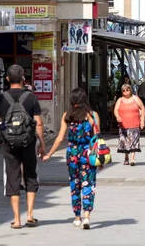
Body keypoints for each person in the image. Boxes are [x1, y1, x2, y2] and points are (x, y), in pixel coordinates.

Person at [0, 64, 45, 229]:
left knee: (12, 176)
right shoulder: (31, 97)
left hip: (9, 142)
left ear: (7, 79)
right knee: (30, 175)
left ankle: (17, 219)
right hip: (28, 141)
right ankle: (29, 215)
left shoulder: (0, 98)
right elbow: (39, 123)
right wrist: (42, 145)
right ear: (23, 78)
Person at [43, 88, 99, 230]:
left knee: (75, 184)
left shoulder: (67, 115)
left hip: (72, 153)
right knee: (88, 184)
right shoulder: (92, 115)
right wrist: (98, 157)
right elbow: (95, 138)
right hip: (88, 154)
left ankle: (77, 217)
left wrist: (49, 154)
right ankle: (87, 216)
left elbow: (60, 137)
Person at [114, 84, 145, 166]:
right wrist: (117, 116)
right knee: (125, 142)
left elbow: (142, 108)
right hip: (123, 125)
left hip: (134, 123)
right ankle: (126, 157)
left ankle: (132, 159)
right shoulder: (120, 100)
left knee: (134, 141)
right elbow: (116, 110)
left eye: (127, 90)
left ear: (130, 90)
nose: (125, 92)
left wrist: (142, 120)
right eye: (123, 90)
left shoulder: (135, 98)